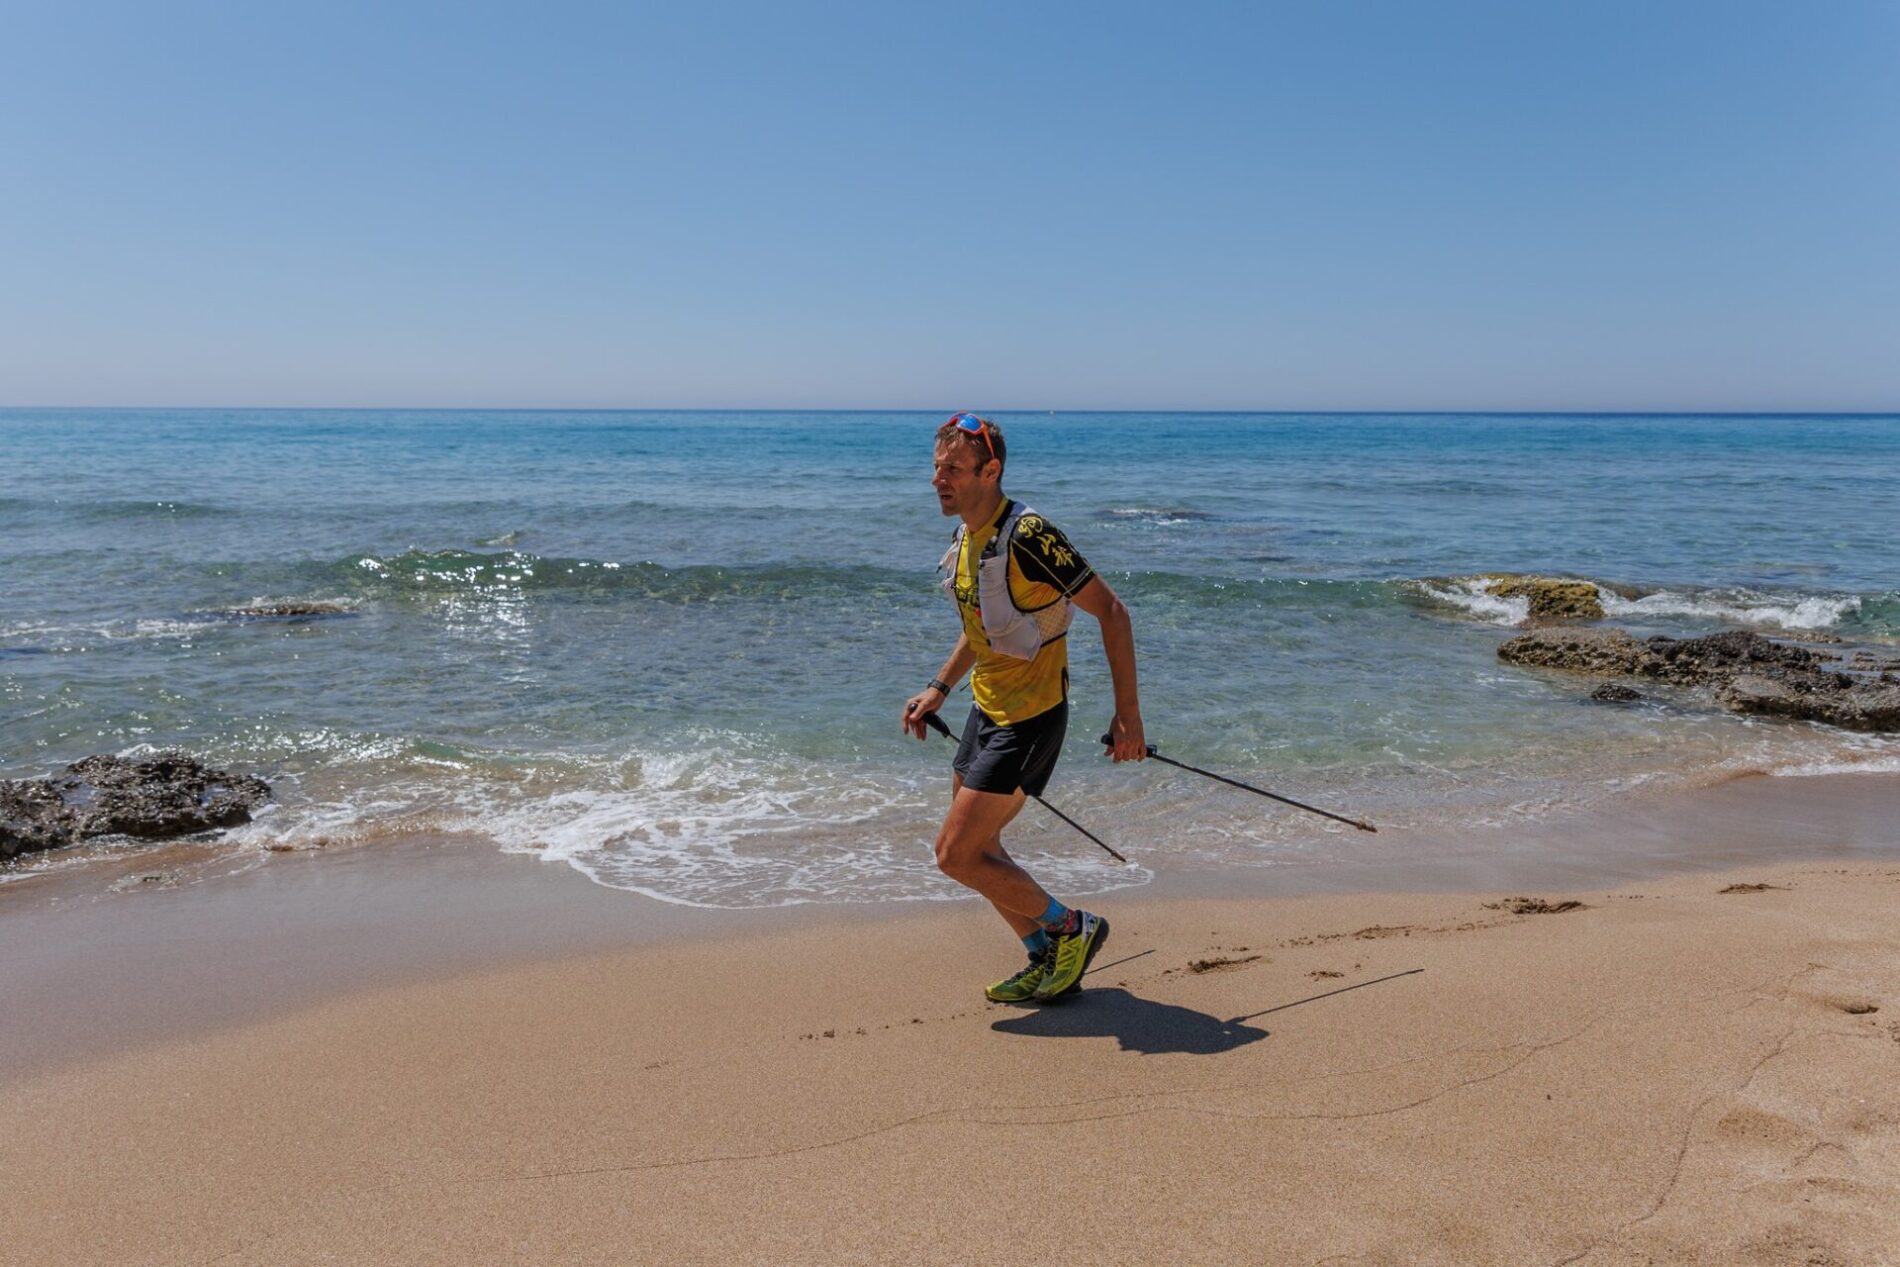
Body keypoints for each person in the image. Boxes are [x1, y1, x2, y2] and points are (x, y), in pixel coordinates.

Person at [903, 412, 1146, 1003]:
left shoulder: (1031, 536)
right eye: (936, 468)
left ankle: (1072, 928)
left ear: (992, 471)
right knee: (981, 851)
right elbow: (985, 627)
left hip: (1031, 718)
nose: (940, 480)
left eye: (954, 470)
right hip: (986, 710)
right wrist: (940, 686)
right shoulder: (967, 536)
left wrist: (1128, 718)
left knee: (955, 854)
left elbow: (1111, 611)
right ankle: (1044, 957)